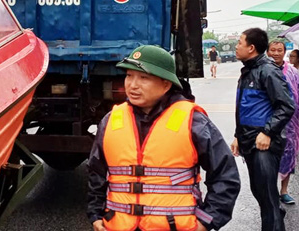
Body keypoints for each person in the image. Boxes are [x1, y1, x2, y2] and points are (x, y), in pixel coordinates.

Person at [87, 45, 240, 231]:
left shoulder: (192, 120)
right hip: (119, 225)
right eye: (129, 75)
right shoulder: (112, 120)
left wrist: (206, 221)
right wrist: (95, 215)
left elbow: (225, 175)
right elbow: (96, 172)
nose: (132, 85)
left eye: (143, 78)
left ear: (166, 84)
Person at [231, 28, 294, 231]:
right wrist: (237, 136)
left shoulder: (268, 71)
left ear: (251, 48)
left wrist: (267, 132)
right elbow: (246, 107)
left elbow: (286, 106)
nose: (236, 46)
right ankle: (276, 213)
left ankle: (275, 219)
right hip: (249, 141)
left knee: (267, 198)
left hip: (265, 144)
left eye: (239, 43)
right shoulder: (248, 70)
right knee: (260, 192)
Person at [266, 41, 299, 205]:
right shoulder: (261, 71)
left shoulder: (293, 72)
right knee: (268, 156)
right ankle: (270, 190)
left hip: (290, 122)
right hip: (267, 122)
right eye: (273, 50)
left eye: (280, 50)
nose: (276, 53)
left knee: (289, 154)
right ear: (267, 52)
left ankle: (284, 191)